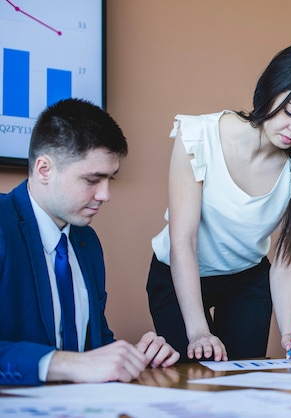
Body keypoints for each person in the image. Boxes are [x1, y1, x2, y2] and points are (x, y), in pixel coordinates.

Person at [146, 43, 291, 362]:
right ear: (268, 91)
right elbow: (184, 239)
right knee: (194, 380)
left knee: (241, 383)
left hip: (247, 279)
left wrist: (290, 332)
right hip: (179, 273)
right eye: (290, 112)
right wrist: (198, 331)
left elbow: (287, 256)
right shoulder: (199, 136)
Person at [0, 98, 180, 386]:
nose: (105, 195)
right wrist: (63, 364)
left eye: (109, 179)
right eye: (92, 180)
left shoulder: (86, 242)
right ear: (44, 169)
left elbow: (91, 347)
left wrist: (132, 357)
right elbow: (76, 363)